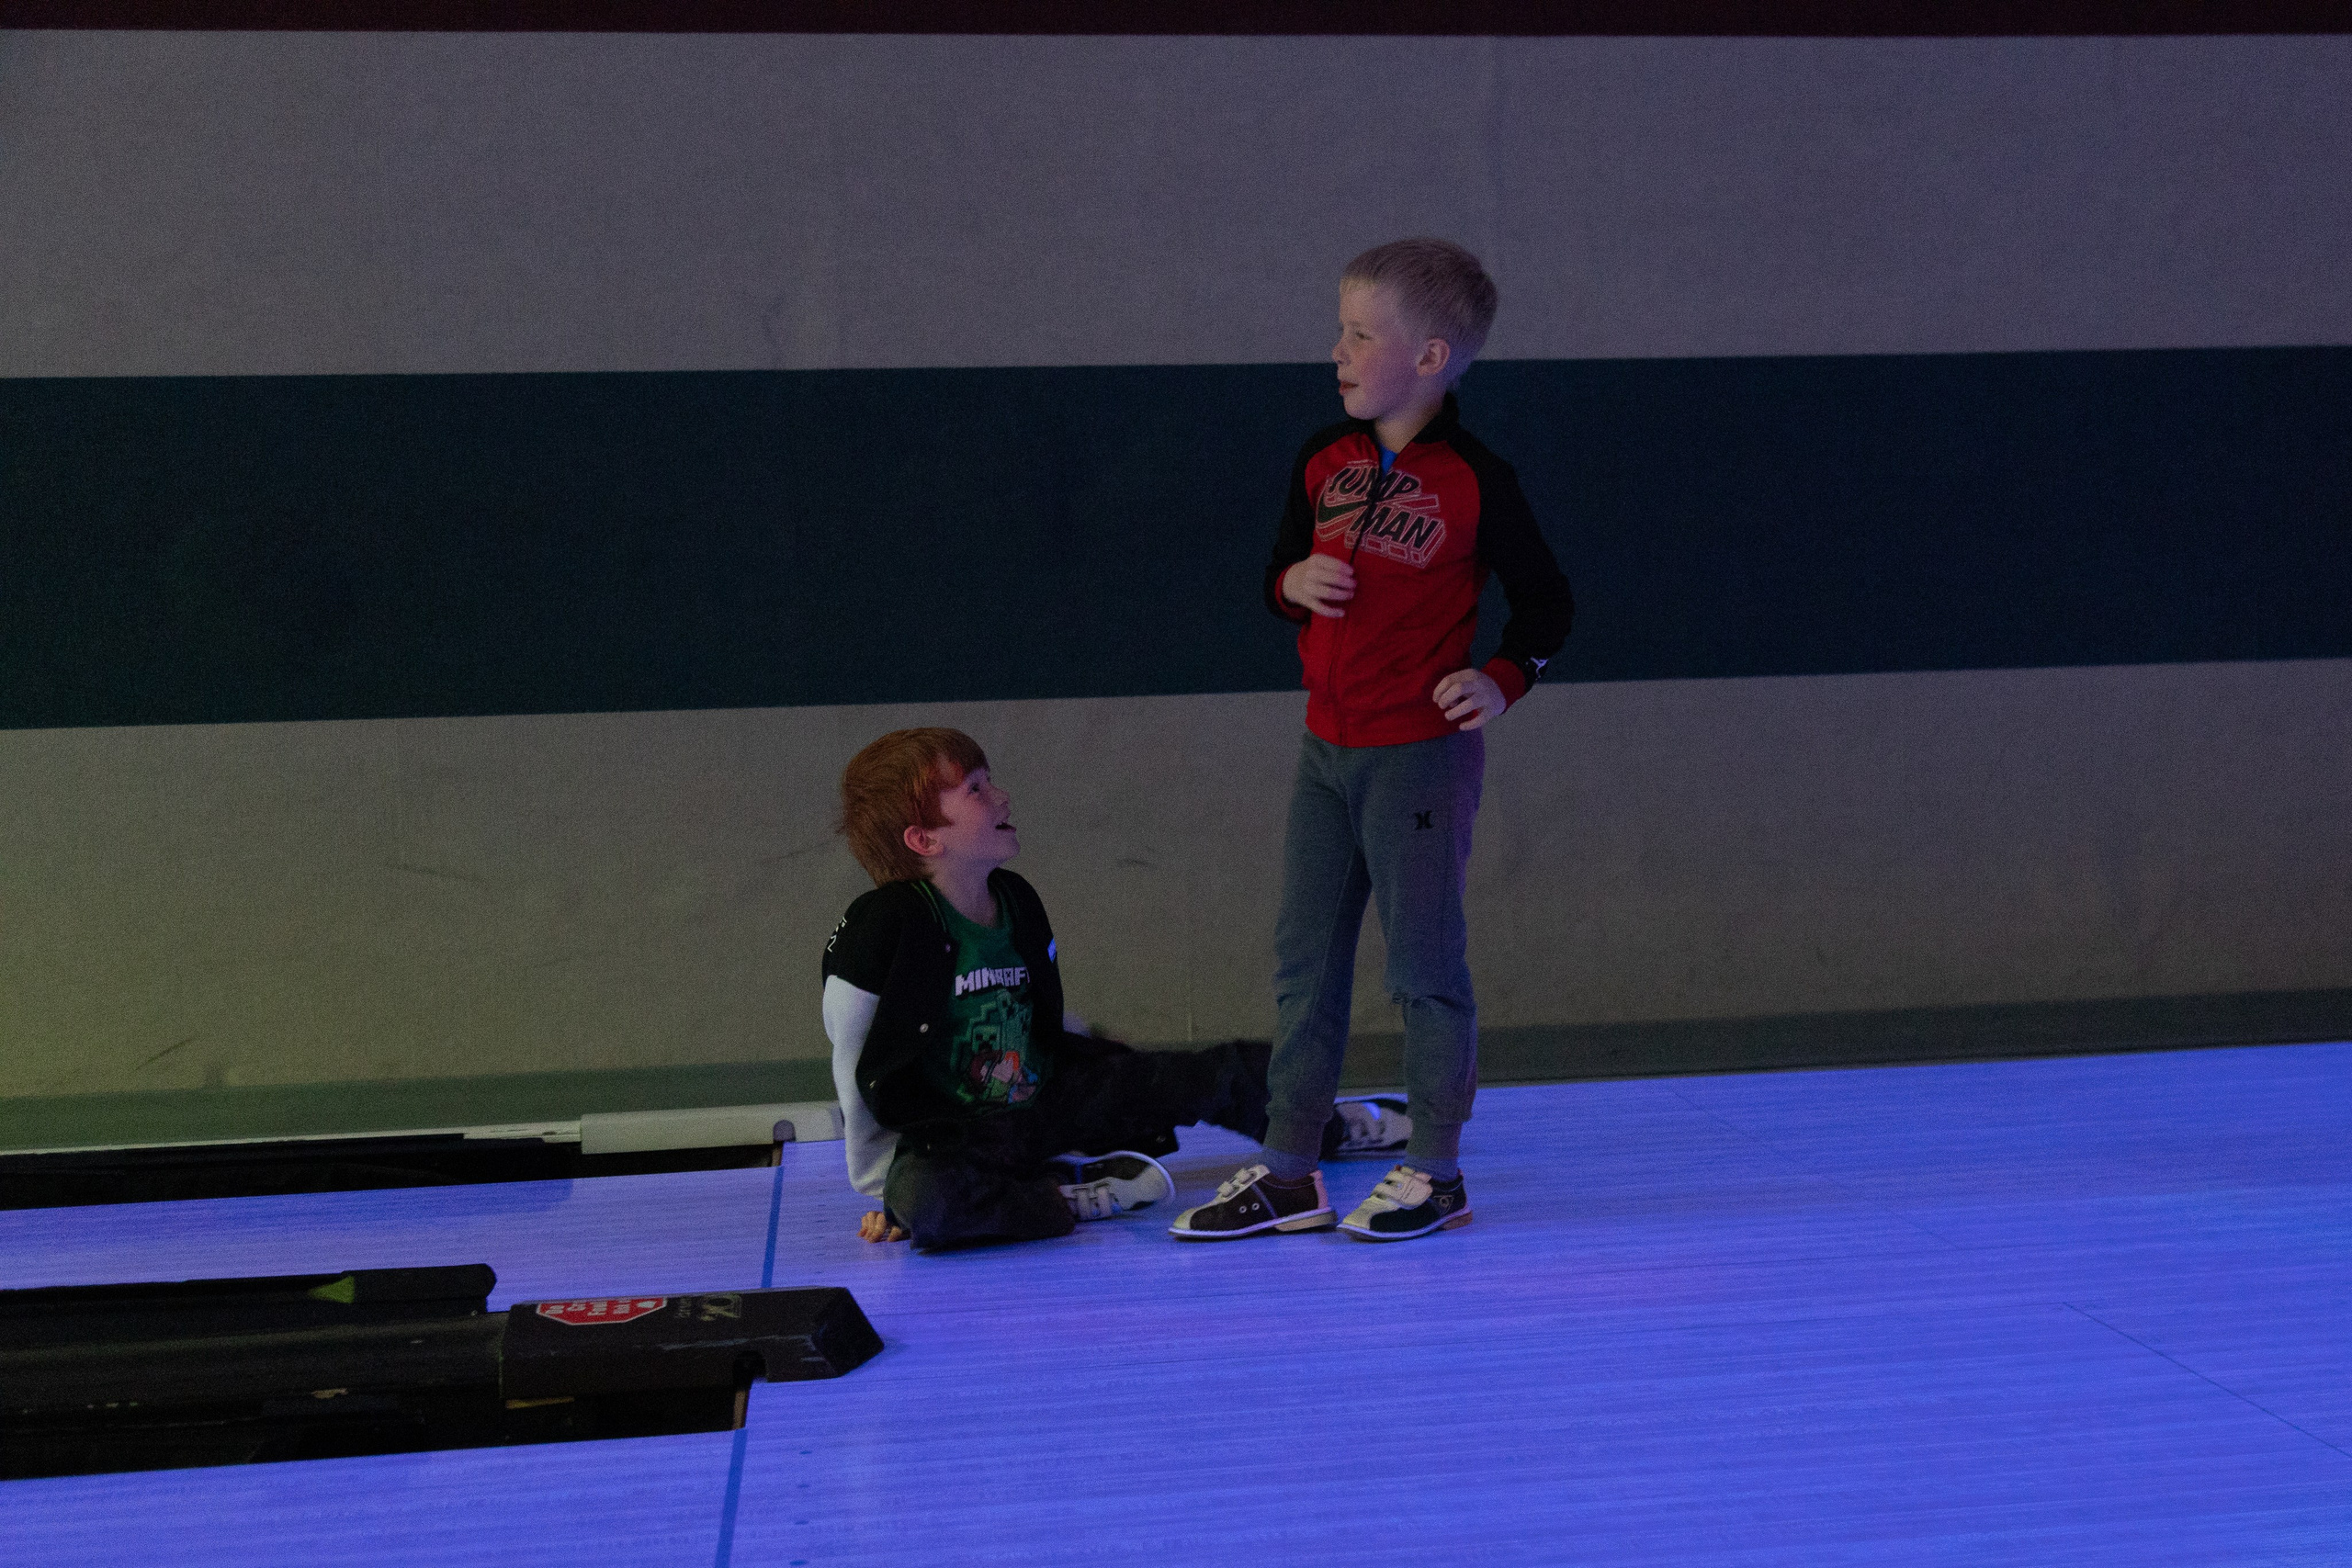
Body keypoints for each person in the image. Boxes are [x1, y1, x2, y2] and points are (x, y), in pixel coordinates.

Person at [1170, 238, 1574, 1244]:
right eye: (1340, 331)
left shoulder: (1478, 480)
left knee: (1424, 967)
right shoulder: (1323, 459)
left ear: (1430, 358)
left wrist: (1502, 678)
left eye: (1359, 335)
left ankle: (1436, 1168)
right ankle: (1289, 1170)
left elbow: (1548, 603)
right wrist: (1290, 583)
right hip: (1325, 750)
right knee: (1304, 963)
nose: (1337, 352)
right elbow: (1278, 572)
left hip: (1417, 757)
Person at [822, 728, 1400, 1250]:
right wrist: (887, 1190)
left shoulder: (1015, 899)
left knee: (1225, 1072)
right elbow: (857, 1068)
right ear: (924, 839)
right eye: (975, 789)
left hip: (1044, 1105)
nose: (1001, 797)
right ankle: (1064, 1194)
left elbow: (1031, 1016)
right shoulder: (882, 928)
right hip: (956, 1139)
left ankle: (1326, 1127)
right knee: (930, 1201)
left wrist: (1099, 1051)